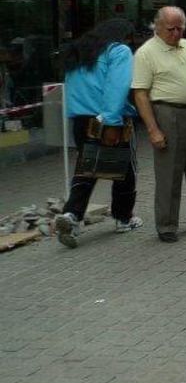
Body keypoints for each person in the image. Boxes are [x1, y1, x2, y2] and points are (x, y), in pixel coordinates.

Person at [55, 19, 144, 248]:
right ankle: (123, 218)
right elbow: (117, 86)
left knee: (87, 169)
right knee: (125, 170)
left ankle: (72, 215)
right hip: (106, 119)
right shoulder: (119, 51)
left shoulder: (80, 51)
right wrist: (111, 121)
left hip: (80, 119)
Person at [131, 7, 186, 243]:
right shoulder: (146, 53)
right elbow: (140, 94)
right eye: (171, 29)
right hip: (169, 112)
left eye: (181, 28)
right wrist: (153, 129)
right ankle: (167, 225)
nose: (176, 33)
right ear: (157, 27)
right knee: (170, 172)